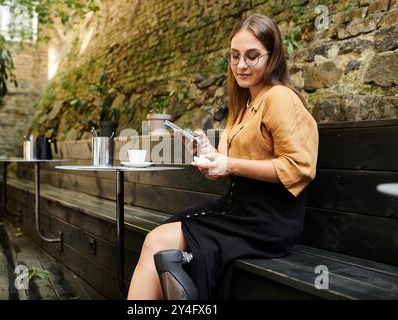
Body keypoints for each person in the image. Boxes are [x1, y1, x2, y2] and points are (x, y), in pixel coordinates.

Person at [127, 13, 319, 300]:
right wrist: (211, 155)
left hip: (268, 220)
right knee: (160, 236)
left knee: (158, 241)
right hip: (238, 208)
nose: (241, 65)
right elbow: (231, 167)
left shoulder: (279, 97)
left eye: (252, 56)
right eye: (235, 56)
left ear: (273, 56)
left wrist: (227, 163)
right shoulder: (245, 102)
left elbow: (299, 168)